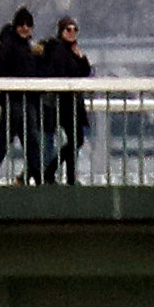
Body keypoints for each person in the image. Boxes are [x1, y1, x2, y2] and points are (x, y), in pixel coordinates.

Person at [0, 8, 41, 184]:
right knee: (29, 141)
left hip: (24, 99)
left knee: (11, 141)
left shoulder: (26, 47)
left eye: (28, 25)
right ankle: (40, 179)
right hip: (14, 99)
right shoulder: (10, 44)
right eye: (21, 24)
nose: (25, 28)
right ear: (15, 26)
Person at [37, 14, 93, 184]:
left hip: (70, 104)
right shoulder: (58, 49)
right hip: (63, 104)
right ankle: (52, 171)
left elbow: (84, 72)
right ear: (61, 31)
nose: (72, 32)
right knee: (76, 140)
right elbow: (64, 72)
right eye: (68, 29)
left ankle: (64, 175)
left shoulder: (72, 50)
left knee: (74, 140)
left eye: (75, 29)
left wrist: (81, 57)